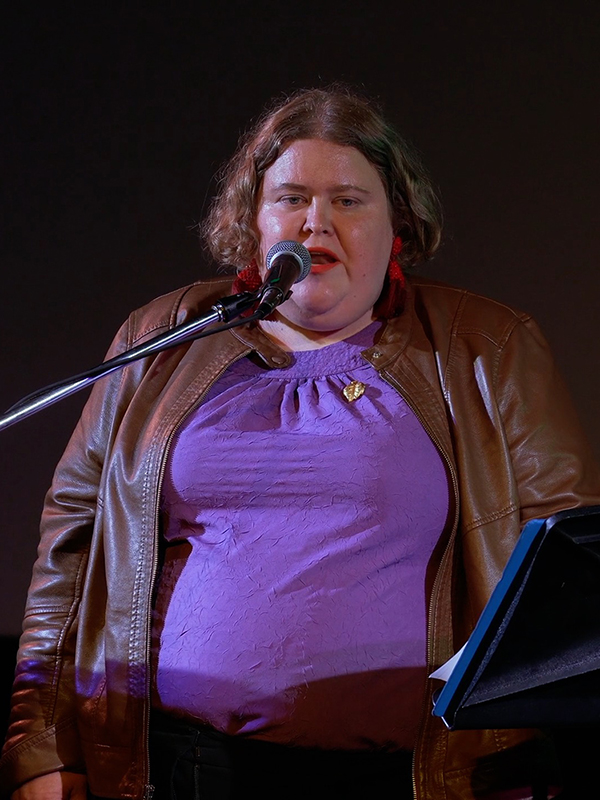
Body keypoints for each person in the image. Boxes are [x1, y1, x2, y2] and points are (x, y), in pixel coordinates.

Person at [1, 86, 599, 800]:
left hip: (411, 777)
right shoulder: (161, 340)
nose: (316, 222)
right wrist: (38, 744)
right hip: (184, 766)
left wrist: (517, 760)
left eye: (349, 200)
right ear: (254, 221)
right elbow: (71, 545)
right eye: (290, 198)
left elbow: (569, 575)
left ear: (398, 223)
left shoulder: (487, 347)